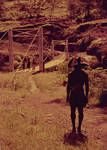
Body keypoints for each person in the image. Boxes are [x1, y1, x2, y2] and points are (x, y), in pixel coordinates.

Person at [66, 57, 89, 134]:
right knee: (80, 111)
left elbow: (68, 86)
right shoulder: (84, 74)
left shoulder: (71, 74)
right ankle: (78, 128)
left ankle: (74, 128)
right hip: (80, 94)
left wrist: (67, 96)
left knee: (73, 112)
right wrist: (86, 96)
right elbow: (87, 86)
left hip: (74, 94)